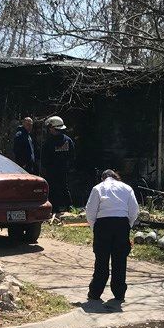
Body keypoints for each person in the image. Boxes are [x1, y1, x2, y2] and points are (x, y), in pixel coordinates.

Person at [85, 169, 139, 305]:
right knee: (120, 260)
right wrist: (128, 225)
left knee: (101, 260)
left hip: (103, 225)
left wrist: (95, 228)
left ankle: (95, 292)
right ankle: (119, 293)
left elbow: (90, 212)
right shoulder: (127, 188)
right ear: (116, 177)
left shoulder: (98, 188)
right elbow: (134, 210)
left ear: (103, 178)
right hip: (122, 224)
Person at [41, 116, 75, 213]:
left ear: (52, 128)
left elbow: (44, 159)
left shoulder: (48, 142)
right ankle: (69, 207)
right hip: (64, 170)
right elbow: (72, 156)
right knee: (64, 187)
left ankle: (54, 209)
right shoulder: (68, 140)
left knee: (52, 190)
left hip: (52, 171)